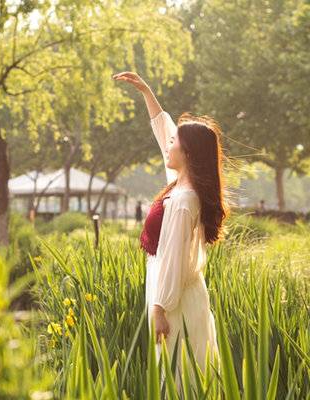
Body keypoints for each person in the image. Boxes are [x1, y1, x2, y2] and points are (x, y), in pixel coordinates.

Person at [113, 71, 230, 392]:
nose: (169, 145)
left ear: (188, 153)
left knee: (179, 378)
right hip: (178, 297)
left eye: (175, 143)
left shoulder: (182, 200)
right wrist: (147, 93)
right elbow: (165, 132)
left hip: (175, 303)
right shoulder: (182, 184)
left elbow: (173, 259)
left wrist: (159, 307)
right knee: (181, 375)